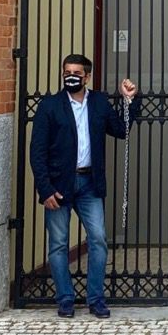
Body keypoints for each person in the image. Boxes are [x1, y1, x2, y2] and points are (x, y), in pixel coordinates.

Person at [30, 53, 139, 319]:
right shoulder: (50, 106)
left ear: (87, 76)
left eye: (77, 73)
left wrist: (129, 101)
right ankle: (65, 299)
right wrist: (45, 189)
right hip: (58, 184)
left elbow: (121, 130)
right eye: (67, 71)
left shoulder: (99, 102)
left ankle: (96, 299)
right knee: (58, 244)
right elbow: (37, 151)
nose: (71, 76)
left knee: (98, 240)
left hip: (90, 182)